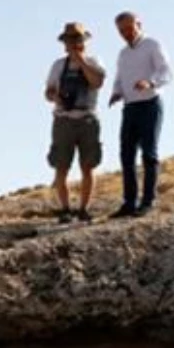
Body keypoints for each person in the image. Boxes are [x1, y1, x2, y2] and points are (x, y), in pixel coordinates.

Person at [108, 11, 173, 218]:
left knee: (149, 154)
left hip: (150, 104)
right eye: (121, 31)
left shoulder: (152, 45)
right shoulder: (123, 54)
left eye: (129, 28)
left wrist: (150, 82)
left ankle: (147, 201)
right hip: (130, 108)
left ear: (139, 24)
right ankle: (129, 202)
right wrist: (116, 92)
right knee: (126, 155)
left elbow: (166, 72)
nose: (126, 33)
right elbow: (119, 77)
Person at [45, 22, 107, 223]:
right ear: (64, 43)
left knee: (88, 166)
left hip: (87, 119)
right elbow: (48, 92)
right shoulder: (58, 66)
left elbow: (96, 82)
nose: (74, 44)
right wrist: (55, 96)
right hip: (63, 119)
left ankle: (83, 209)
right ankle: (64, 209)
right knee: (61, 166)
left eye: (78, 40)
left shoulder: (94, 61)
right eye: (70, 40)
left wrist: (80, 61)